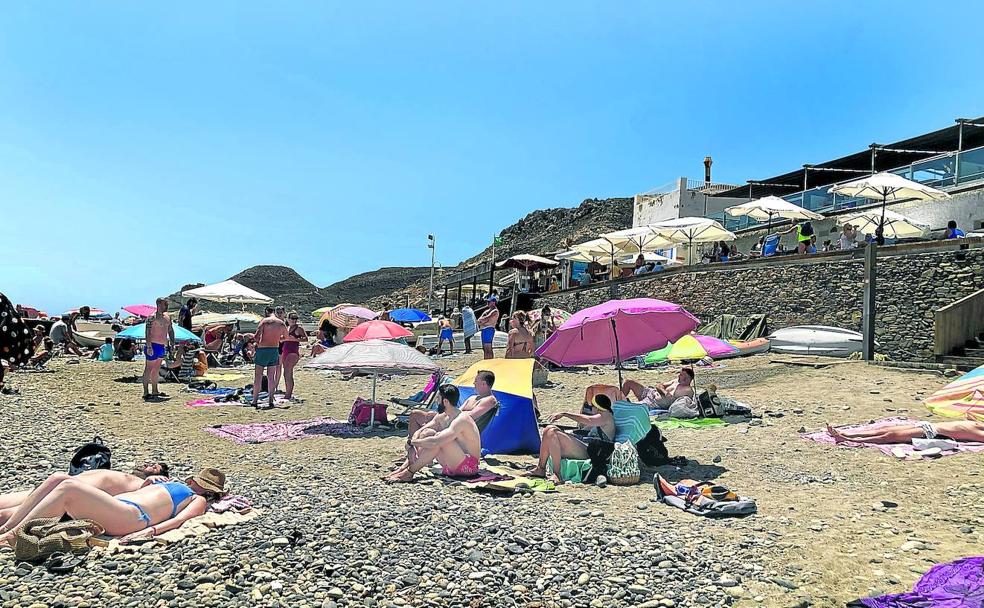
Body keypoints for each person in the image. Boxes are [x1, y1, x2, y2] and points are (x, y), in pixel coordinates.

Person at [0, 468, 225, 547]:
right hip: (121, 506)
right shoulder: (173, 483)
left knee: (69, 487)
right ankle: (9, 527)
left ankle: (12, 537)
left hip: (134, 517)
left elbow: (179, 521)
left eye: (202, 484)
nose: (195, 484)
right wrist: (148, 482)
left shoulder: (198, 500)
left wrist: (150, 532)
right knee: (58, 477)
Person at [0, 462, 169, 532]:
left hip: (66, 499)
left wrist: (154, 482)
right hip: (54, 489)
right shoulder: (123, 474)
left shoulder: (144, 485)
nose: (147, 464)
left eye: (154, 467)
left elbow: (146, 500)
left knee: (4, 515)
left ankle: (8, 532)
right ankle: (8, 529)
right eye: (149, 462)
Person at [384, 385, 482, 483]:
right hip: (451, 464)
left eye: (438, 398)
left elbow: (436, 442)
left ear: (445, 402)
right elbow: (420, 431)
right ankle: (404, 469)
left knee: (439, 440)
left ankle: (409, 473)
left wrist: (412, 442)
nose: (436, 401)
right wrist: (412, 446)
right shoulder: (443, 416)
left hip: (469, 468)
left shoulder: (461, 419)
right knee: (427, 433)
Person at [524, 394, 617, 484]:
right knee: (548, 430)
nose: (590, 409)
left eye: (591, 406)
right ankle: (541, 468)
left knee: (552, 432)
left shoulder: (606, 416)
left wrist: (565, 414)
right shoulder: (602, 418)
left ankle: (557, 474)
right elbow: (584, 429)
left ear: (597, 407)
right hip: (588, 447)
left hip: (595, 453)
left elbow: (589, 420)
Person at [403, 370, 498, 451]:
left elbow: (468, 417)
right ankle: (412, 450)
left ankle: (415, 453)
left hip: (458, 430)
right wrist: (442, 415)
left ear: (483, 383)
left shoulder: (490, 400)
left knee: (427, 428)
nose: (474, 383)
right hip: (450, 420)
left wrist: (444, 417)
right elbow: (457, 411)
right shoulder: (472, 397)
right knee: (415, 414)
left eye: (476, 381)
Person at [827, 419, 984, 444]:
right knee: (885, 429)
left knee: (889, 436)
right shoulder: (977, 423)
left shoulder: (979, 433)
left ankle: (849, 440)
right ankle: (848, 434)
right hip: (928, 425)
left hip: (931, 433)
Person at [252, 307, 287, 409]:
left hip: (262, 349)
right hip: (274, 349)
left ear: (267, 312)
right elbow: (286, 337)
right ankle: (271, 400)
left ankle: (255, 400)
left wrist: (259, 343)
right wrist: (278, 338)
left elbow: (256, 336)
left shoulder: (264, 321)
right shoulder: (281, 323)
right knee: (271, 377)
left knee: (258, 377)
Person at [141, 298, 175, 401]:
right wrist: (149, 346)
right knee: (149, 368)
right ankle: (146, 392)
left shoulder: (167, 317)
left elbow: (170, 330)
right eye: (165, 304)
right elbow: (147, 332)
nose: (166, 306)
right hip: (153, 344)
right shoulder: (152, 317)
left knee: (156, 369)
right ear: (159, 304)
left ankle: (155, 390)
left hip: (161, 345)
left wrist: (172, 342)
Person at [621, 368, 695, 409]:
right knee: (628, 382)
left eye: (681, 375)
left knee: (630, 407)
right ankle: (618, 400)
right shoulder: (676, 381)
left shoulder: (687, 391)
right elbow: (659, 385)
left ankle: (620, 405)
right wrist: (665, 392)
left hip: (653, 403)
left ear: (687, 378)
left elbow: (678, 404)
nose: (678, 376)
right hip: (650, 392)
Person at [282, 311, 307, 400]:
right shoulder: (287, 328)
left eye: (296, 318)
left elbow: (305, 339)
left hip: (293, 352)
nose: (294, 320)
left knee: (288, 373)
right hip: (285, 351)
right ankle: (287, 393)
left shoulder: (298, 328)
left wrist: (295, 339)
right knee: (286, 374)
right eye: (292, 318)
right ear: (288, 319)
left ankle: (288, 395)